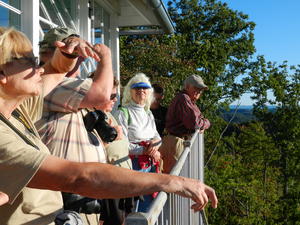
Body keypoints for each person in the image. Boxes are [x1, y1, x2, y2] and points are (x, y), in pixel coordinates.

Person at [0, 27, 217, 225]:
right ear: (2, 75)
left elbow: (54, 71)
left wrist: (68, 52)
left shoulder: (18, 111)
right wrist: (170, 182)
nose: (38, 68)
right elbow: (78, 177)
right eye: (29, 61)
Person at [35, 27, 113, 224]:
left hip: (81, 196)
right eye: (75, 54)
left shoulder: (64, 85)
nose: (81, 59)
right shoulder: (50, 83)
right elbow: (102, 94)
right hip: (64, 202)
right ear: (52, 53)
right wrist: (106, 56)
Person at [115, 73, 162, 212]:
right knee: (134, 209)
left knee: (148, 207)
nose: (141, 90)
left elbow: (158, 137)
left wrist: (154, 145)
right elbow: (122, 145)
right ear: (130, 91)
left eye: (144, 87)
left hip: (150, 165)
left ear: (149, 92)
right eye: (136, 87)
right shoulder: (123, 113)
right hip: (133, 166)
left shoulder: (148, 113)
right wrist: (144, 150)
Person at [98, 77, 134, 225]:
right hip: (109, 184)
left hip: (122, 182)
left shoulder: (109, 114)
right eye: (111, 96)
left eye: (116, 96)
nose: (115, 100)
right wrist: (112, 139)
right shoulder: (92, 116)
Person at [159, 74, 211, 173]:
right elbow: (195, 124)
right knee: (175, 178)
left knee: (179, 177)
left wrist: (202, 123)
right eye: (196, 88)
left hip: (178, 142)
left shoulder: (188, 100)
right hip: (176, 143)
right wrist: (207, 123)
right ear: (187, 87)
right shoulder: (183, 98)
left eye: (201, 89)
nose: (199, 91)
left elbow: (198, 121)